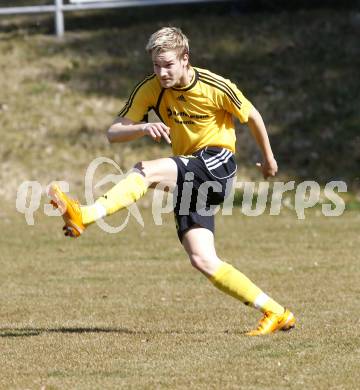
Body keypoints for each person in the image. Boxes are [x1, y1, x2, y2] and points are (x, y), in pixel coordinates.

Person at [49, 27, 295, 336]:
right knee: (202, 259)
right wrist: (142, 128)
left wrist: (269, 160)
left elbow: (254, 116)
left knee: (146, 170)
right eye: (156, 65)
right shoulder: (151, 88)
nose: (161, 72)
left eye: (168, 65)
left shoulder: (214, 85)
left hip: (217, 164)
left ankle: (84, 215)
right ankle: (276, 311)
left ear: (185, 59)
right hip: (188, 172)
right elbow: (114, 132)